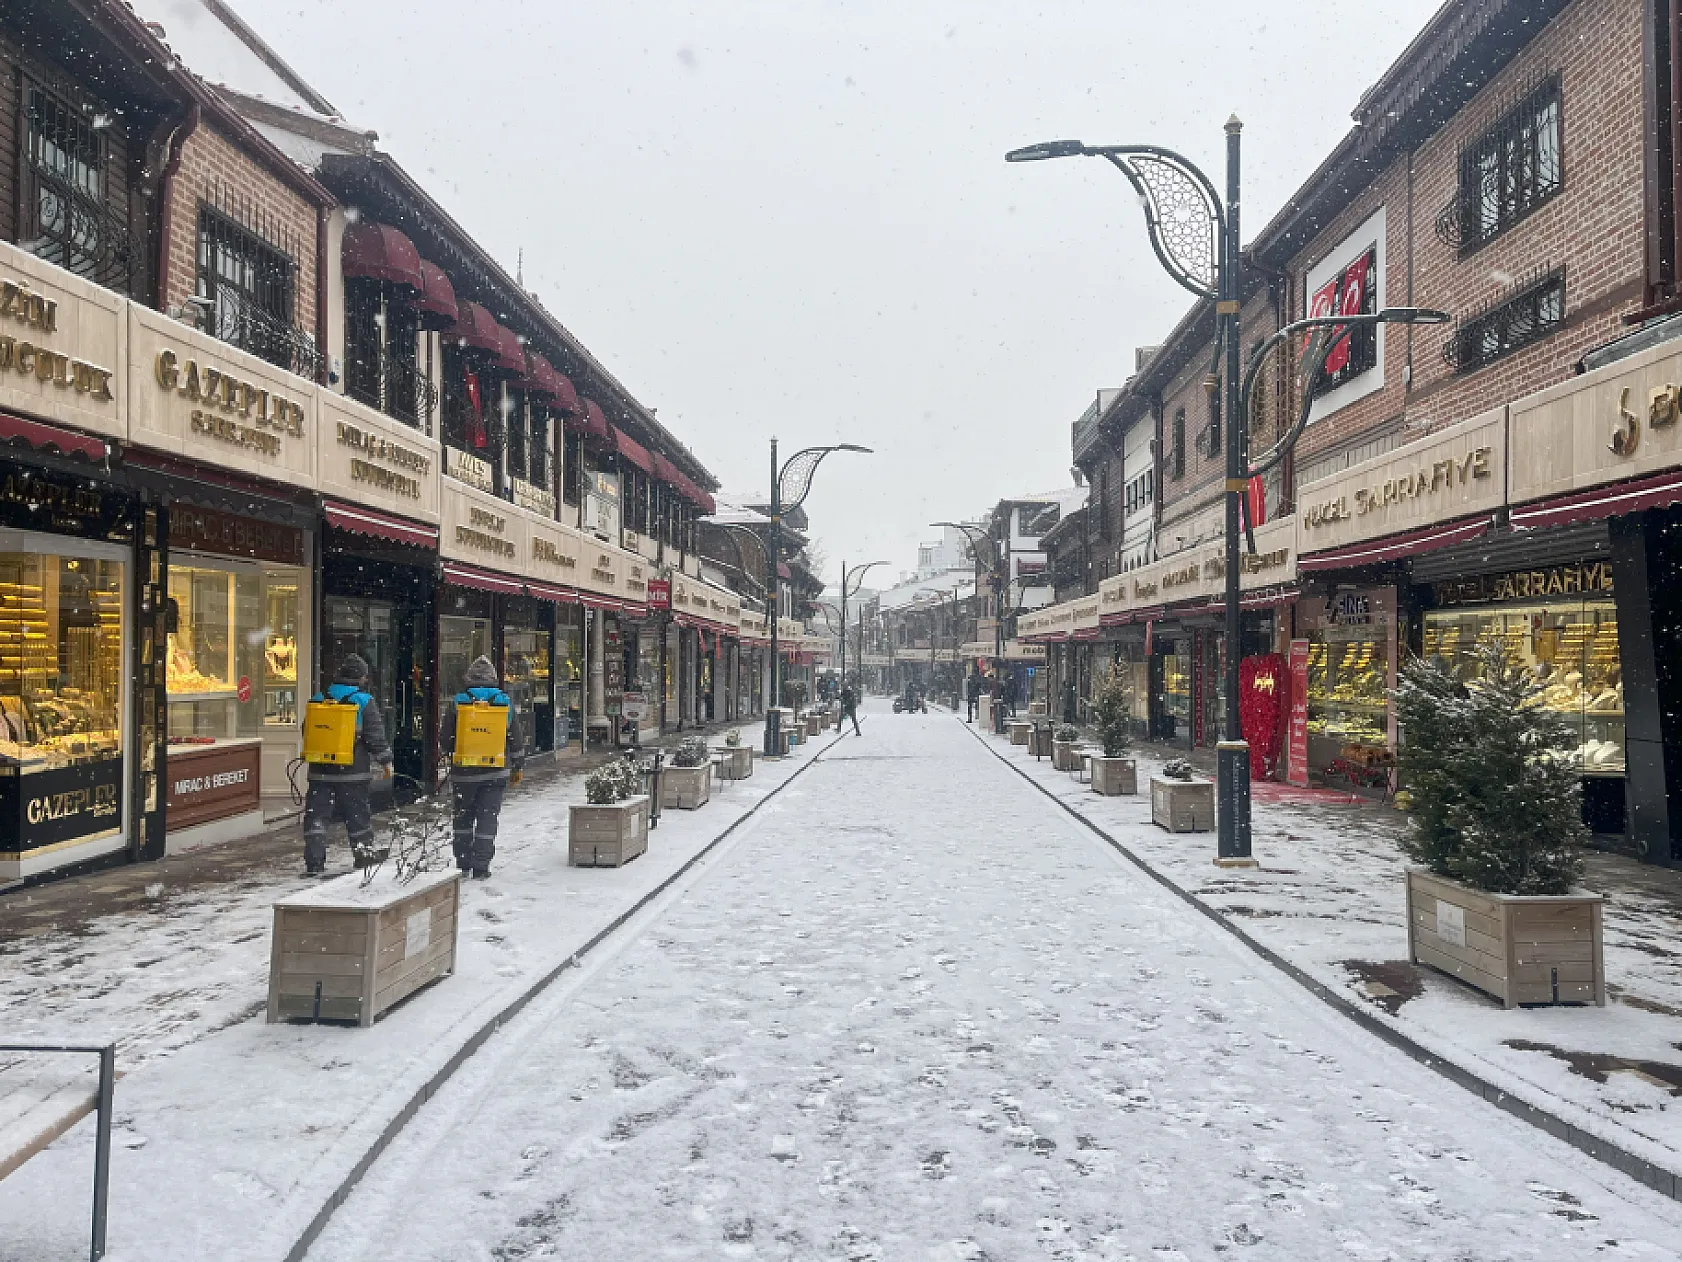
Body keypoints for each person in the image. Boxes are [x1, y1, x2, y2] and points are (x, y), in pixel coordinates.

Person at [302, 654, 391, 877]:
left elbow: (307, 730)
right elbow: (374, 737)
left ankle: (314, 863)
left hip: (320, 771)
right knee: (358, 816)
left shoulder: (319, 697)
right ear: (361, 677)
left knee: (317, 817)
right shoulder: (364, 701)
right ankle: (363, 856)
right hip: (354, 772)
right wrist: (386, 760)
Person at [442, 656, 525, 879]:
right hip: (495, 770)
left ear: (468, 679)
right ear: (494, 679)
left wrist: (453, 750)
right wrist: (517, 764)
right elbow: (515, 737)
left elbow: (445, 739)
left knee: (463, 818)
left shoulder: (458, 701)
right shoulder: (503, 701)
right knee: (488, 818)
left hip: (464, 771)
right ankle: (481, 865)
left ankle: (463, 862)